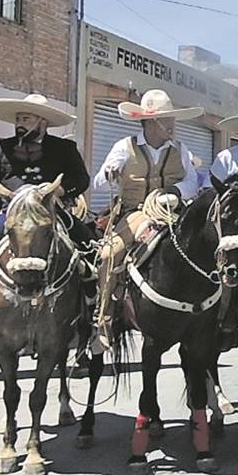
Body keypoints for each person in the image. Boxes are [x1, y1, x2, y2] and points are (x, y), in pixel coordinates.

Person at [0, 94, 91, 358]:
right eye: (18, 119)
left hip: (50, 213)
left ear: (41, 122)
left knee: (88, 245)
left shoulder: (64, 149)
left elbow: (81, 179)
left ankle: (91, 305)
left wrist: (60, 190)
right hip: (13, 214)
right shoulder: (0, 148)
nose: (20, 123)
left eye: (25, 118)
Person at [91, 90, 204, 351]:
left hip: (173, 211)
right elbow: (98, 181)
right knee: (109, 254)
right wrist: (111, 174)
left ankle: (216, 318)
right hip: (135, 212)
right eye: (168, 120)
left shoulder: (181, 149)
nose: (173, 125)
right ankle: (104, 321)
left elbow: (191, 182)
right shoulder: (124, 147)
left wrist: (175, 192)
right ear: (153, 123)